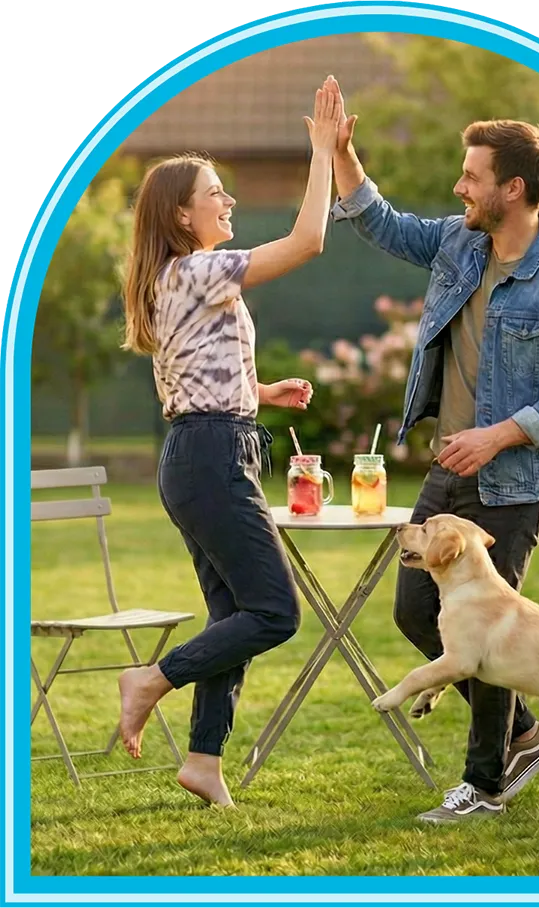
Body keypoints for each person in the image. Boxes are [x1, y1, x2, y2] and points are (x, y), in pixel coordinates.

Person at [329, 79, 539, 823]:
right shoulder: (459, 240)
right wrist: (342, 154)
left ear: (513, 189)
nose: (460, 187)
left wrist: (500, 432)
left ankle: (482, 785)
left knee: (481, 633)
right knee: (416, 610)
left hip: (511, 482)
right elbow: (380, 223)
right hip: (450, 473)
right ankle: (521, 734)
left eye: (473, 176)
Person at [117, 78, 342, 808]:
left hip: (210, 450)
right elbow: (310, 241)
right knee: (275, 612)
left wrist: (262, 392)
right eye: (216, 193)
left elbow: (197, 367)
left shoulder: (188, 277)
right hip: (210, 459)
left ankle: (204, 761)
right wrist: (321, 152)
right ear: (182, 214)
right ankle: (152, 678)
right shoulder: (195, 268)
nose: (229, 202)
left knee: (234, 615)